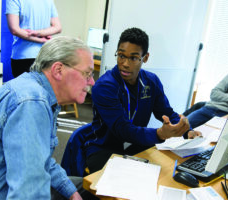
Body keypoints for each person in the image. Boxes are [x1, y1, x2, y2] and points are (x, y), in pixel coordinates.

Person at [0, 36, 98, 200]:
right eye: (87, 73)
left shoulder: (35, 92)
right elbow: (28, 192)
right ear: (58, 70)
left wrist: (71, 193)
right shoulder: (32, 103)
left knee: (84, 187)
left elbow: (41, 160)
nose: (91, 81)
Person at [83, 27, 201, 173]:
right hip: (105, 147)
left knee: (167, 172)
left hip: (136, 143)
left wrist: (186, 130)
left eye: (133, 58)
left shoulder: (151, 81)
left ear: (145, 57)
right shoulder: (104, 86)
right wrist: (160, 134)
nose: (125, 63)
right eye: (121, 56)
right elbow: (122, 130)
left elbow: (166, 112)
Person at [6, 0, 62, 78]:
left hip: (23, 57)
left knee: (23, 89)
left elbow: (14, 29)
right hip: (45, 56)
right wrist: (40, 35)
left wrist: (37, 36)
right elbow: (57, 27)